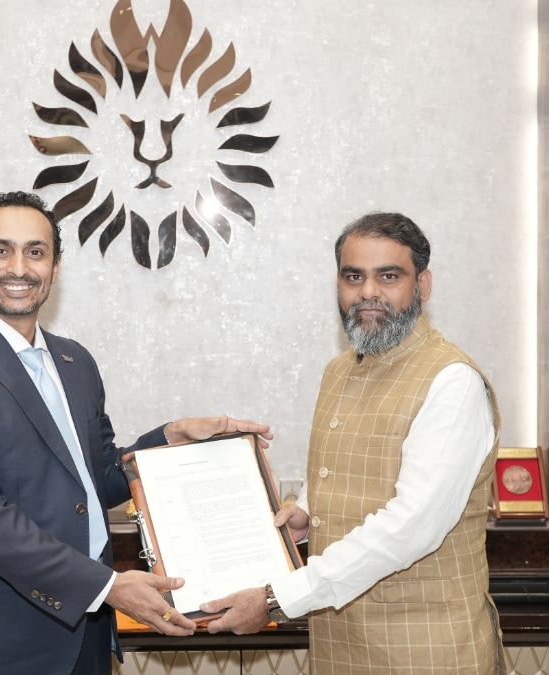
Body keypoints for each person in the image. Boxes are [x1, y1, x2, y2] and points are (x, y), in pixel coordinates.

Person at [0, 190, 271, 675]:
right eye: (0, 250)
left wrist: (169, 440)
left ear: (55, 267)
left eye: (36, 252)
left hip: (86, 637)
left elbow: (95, 480)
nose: (19, 268)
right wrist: (107, 586)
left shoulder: (74, 362)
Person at [200, 212, 503, 674]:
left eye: (389, 276)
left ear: (422, 285)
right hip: (339, 644)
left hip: (426, 650)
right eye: (353, 276)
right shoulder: (339, 370)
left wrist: (276, 598)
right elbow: (352, 468)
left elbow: (412, 525)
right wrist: (309, 512)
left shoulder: (452, 381)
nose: (368, 292)